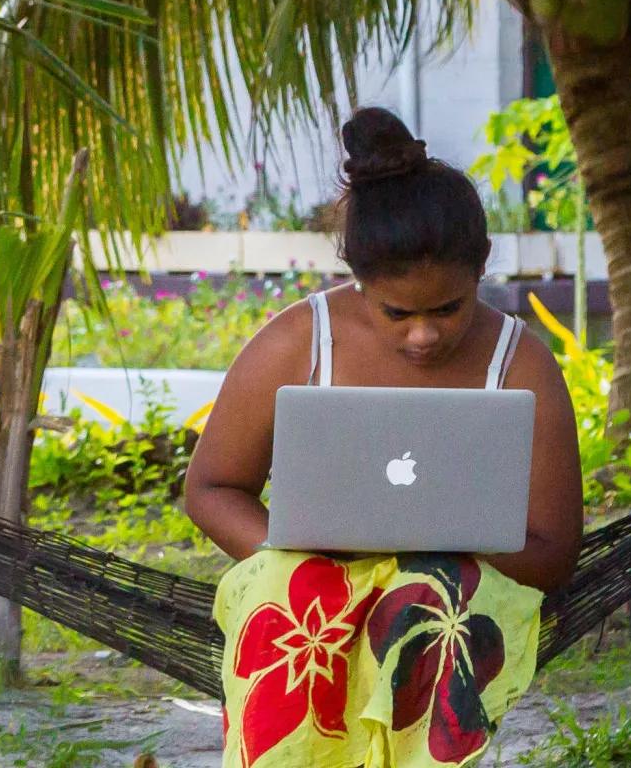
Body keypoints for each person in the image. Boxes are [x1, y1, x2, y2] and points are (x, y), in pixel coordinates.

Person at [182, 108, 582, 768]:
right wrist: (305, 561)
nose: (423, 335)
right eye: (398, 313)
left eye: (446, 309)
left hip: (460, 584)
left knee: (425, 602)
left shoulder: (521, 364)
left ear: (480, 269)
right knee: (293, 599)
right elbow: (210, 488)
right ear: (359, 281)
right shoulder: (298, 344)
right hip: (308, 579)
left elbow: (554, 552)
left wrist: (429, 545)